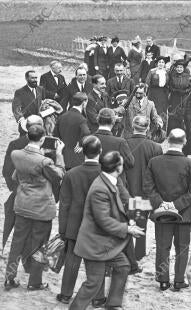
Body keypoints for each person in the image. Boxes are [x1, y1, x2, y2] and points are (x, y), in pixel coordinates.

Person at [69, 151, 144, 310]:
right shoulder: (100, 189)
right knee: (93, 283)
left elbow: (128, 200)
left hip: (105, 242)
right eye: (122, 164)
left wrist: (151, 207)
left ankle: (113, 304)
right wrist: (128, 228)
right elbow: (104, 221)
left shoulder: (113, 180)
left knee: (123, 266)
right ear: (118, 168)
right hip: (95, 244)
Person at [4, 124, 65, 291]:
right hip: (41, 208)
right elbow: (60, 174)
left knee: (17, 243)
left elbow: (15, 176)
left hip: (22, 204)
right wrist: (59, 154)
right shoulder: (45, 161)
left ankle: (10, 277)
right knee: (40, 245)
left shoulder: (16, 154)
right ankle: (34, 281)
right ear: (43, 139)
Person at [144, 129, 191, 291]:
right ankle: (178, 280)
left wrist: (161, 203)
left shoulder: (155, 162)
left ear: (168, 141)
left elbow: (148, 187)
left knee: (163, 246)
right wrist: (176, 205)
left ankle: (163, 280)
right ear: (184, 142)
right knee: (182, 246)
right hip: (184, 212)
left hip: (162, 212)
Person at [57, 135, 102, 305]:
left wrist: (62, 230)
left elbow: (64, 205)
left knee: (72, 262)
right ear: (100, 151)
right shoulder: (107, 175)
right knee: (98, 264)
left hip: (74, 226)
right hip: (98, 227)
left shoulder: (71, 174)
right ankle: (98, 297)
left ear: (82, 151)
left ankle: (66, 294)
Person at [2, 115, 44, 250]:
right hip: (36, 195)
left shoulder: (14, 144)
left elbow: (6, 170)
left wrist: (14, 188)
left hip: (18, 191)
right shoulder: (48, 145)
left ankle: (4, 247)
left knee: (10, 220)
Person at [126, 116, 163, 260]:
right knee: (141, 224)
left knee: (126, 222)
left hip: (128, 192)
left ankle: (127, 252)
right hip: (145, 195)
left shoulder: (124, 144)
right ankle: (139, 253)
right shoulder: (156, 147)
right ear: (147, 128)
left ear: (133, 126)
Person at [94, 108, 134, 183]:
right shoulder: (120, 142)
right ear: (113, 121)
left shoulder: (89, 139)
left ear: (98, 120)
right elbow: (130, 163)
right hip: (116, 184)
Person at [54, 92, 90, 170]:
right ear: (84, 102)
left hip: (62, 157)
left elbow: (55, 134)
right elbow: (86, 132)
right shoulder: (81, 118)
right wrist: (81, 143)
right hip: (76, 158)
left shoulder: (62, 117)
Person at [168, 59, 191, 133]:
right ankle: (172, 131)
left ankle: (183, 131)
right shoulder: (173, 76)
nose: (179, 69)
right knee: (173, 114)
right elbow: (170, 86)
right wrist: (175, 90)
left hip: (184, 97)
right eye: (178, 67)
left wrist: (185, 91)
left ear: (183, 68)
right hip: (175, 97)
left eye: (181, 67)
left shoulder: (188, 76)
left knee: (183, 114)